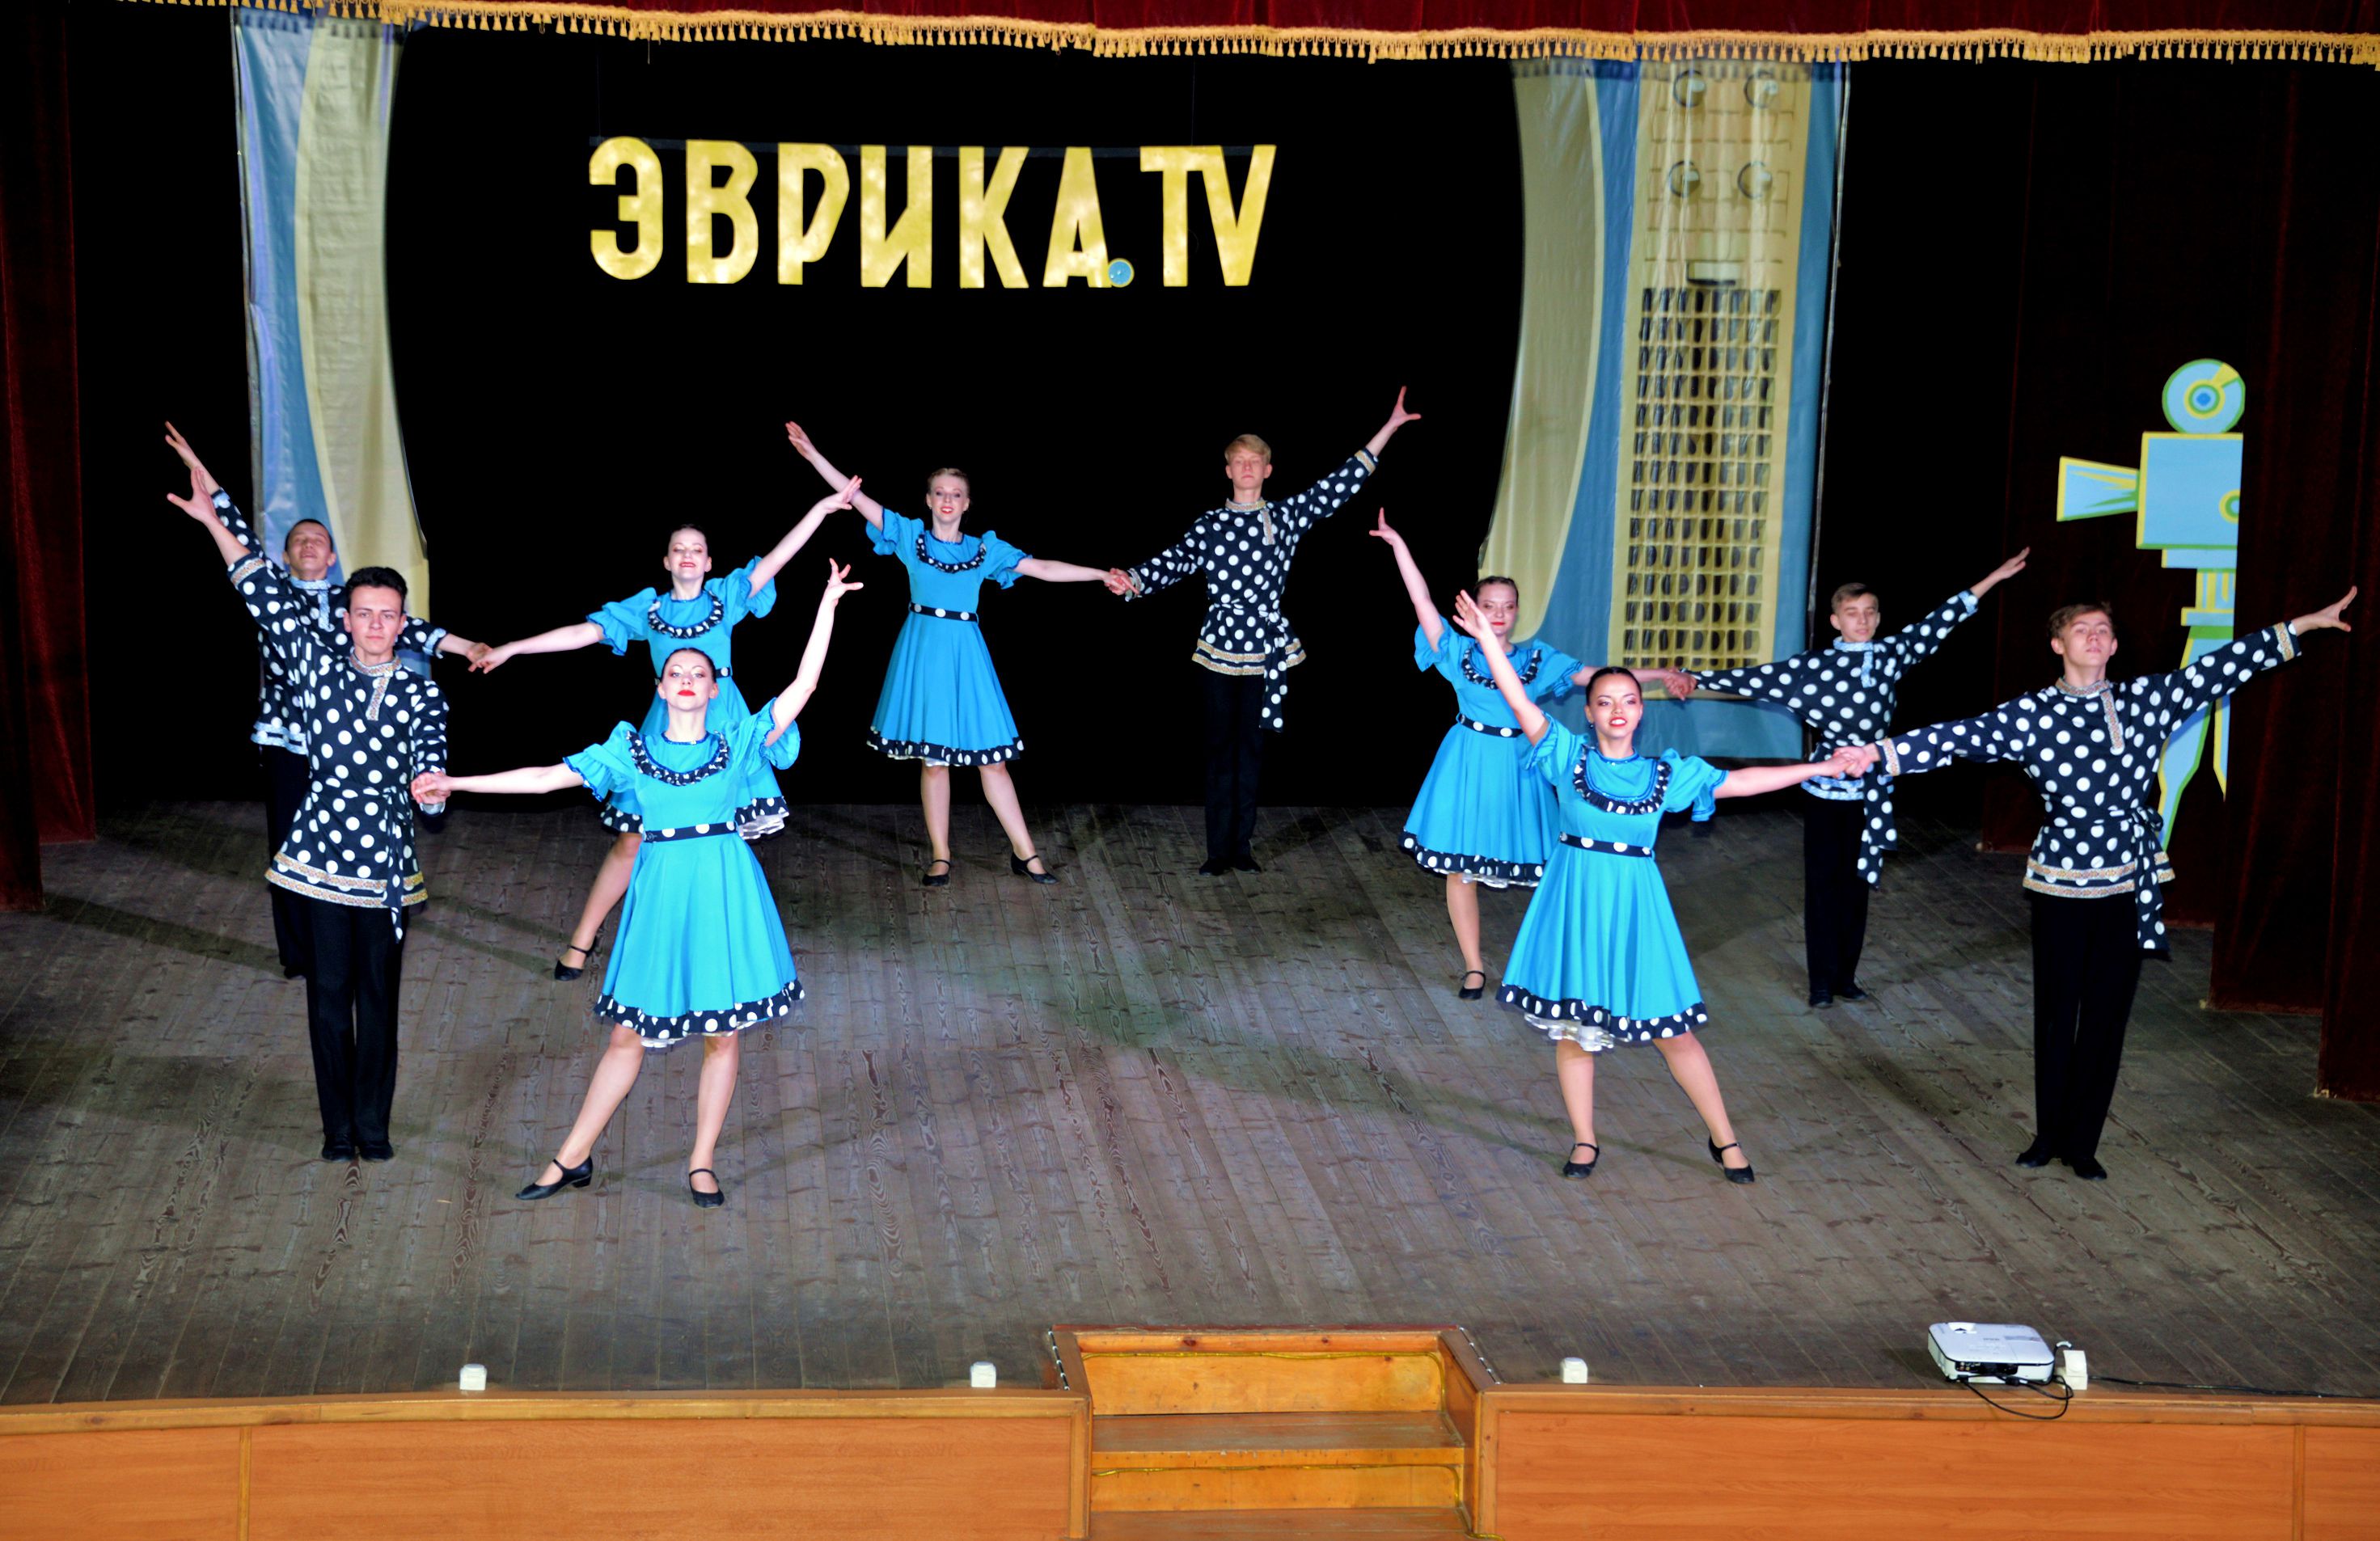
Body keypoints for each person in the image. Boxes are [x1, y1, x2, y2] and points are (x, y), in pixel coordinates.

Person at [413, 560, 862, 1209]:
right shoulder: (630, 751)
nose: (687, 679)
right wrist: (456, 782)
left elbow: (805, 683)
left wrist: (828, 604)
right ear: (659, 686)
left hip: (723, 890)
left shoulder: (738, 742)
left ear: (714, 688)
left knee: (723, 1032)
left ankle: (701, 1161)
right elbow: (543, 778)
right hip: (660, 895)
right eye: (676, 672)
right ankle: (571, 1156)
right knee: (627, 1035)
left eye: (698, 673)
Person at [1869, 587, 2356, 1180]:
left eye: (2103, 629)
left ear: (2115, 645)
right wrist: (1874, 755)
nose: (2094, 636)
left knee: (2106, 1013)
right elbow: (1955, 738)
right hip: (2058, 882)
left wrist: (2300, 626)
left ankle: (2082, 1144)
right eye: (2081, 629)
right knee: (2056, 1012)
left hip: (2127, 878)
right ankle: (2047, 1135)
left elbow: (2221, 668)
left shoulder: (2146, 699)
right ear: (2058, 644)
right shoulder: (2030, 714)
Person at [1449, 589, 1873, 1184]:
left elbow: (1744, 782)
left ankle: (1724, 1138)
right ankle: (1584, 1139)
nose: (1617, 710)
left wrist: (1823, 766)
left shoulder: (1664, 775)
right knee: (1575, 1030)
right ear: (1589, 713)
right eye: (1605, 702)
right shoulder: (1563, 755)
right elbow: (1516, 695)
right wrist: (1487, 641)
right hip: (1575, 903)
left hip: (1636, 909)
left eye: (1628, 700)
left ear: (1641, 711)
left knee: (1675, 1034)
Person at [171, 445, 450, 1163]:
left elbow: (431, 759)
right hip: (321, 853)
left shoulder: (422, 692)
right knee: (328, 993)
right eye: (365, 614)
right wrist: (213, 522)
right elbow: (259, 589)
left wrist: (429, 788)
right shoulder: (315, 666)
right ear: (346, 619)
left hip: (383, 858)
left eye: (389, 616)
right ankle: (337, 1129)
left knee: (378, 998)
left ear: (402, 622)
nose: (376, 625)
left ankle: (373, 1128)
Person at [472, 480, 855, 977]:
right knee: (632, 840)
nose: (688, 555)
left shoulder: (726, 597)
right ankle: (583, 940)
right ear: (667, 561)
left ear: (709, 562)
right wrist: (513, 648)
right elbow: (582, 633)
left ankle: (723, 954)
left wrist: (822, 508)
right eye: (679, 549)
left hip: (724, 723)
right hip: (668, 727)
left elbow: (779, 558)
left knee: (720, 838)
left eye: (697, 549)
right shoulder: (649, 611)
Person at [165, 424, 485, 982]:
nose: (309, 544)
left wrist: (469, 647)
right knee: (291, 843)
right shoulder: (276, 595)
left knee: (350, 840)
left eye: (318, 539)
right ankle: (300, 954)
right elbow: (236, 539)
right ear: (285, 555)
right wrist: (202, 473)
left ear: (333, 556)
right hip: (288, 738)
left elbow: (413, 630)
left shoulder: (354, 605)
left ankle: (350, 941)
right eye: (299, 540)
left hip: (345, 743)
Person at [1670, 551, 2030, 1007]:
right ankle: (1820, 982)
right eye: (1852, 613)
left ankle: (1846, 977)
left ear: (1878, 618)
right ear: (1836, 621)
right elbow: (1756, 679)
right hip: (1826, 789)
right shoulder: (1813, 667)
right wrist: (1695, 678)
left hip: (1871, 787)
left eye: (1869, 612)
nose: (1862, 620)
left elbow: (1940, 622)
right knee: (1823, 884)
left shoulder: (1890, 655)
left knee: (1857, 885)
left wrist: (1993, 577)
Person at [1105, 390, 1423, 875]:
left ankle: (1242, 848)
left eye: (1255, 461)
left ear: (1268, 470)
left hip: (1265, 645)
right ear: (1228, 470)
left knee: (1251, 750)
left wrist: (1390, 427)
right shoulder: (1210, 525)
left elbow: (1339, 485)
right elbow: (1172, 562)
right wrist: (1132, 580)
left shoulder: (1285, 516)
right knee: (1219, 749)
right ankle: (1217, 852)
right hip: (1219, 646)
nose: (1248, 467)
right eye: (1240, 461)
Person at [784, 421, 1114, 886]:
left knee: (992, 760)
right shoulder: (911, 538)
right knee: (934, 761)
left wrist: (1100, 574)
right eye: (939, 492)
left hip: (967, 656)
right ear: (928, 499)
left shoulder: (984, 551)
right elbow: (856, 497)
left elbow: (1042, 567)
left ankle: (1026, 853)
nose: (947, 499)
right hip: (923, 653)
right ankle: (941, 855)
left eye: (956, 494)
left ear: (966, 503)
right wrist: (814, 455)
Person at [1369, 510, 1587, 998]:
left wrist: (1661, 675)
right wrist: (1399, 545)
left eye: (1507, 606)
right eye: (1489, 605)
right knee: (1460, 867)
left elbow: (1597, 678)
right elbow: (1421, 600)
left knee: (1547, 868)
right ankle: (1473, 966)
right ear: (1473, 608)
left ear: (1518, 611)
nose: (1498, 613)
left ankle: (1545, 966)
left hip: (1521, 768)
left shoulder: (1536, 658)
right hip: (1467, 760)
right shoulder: (1457, 652)